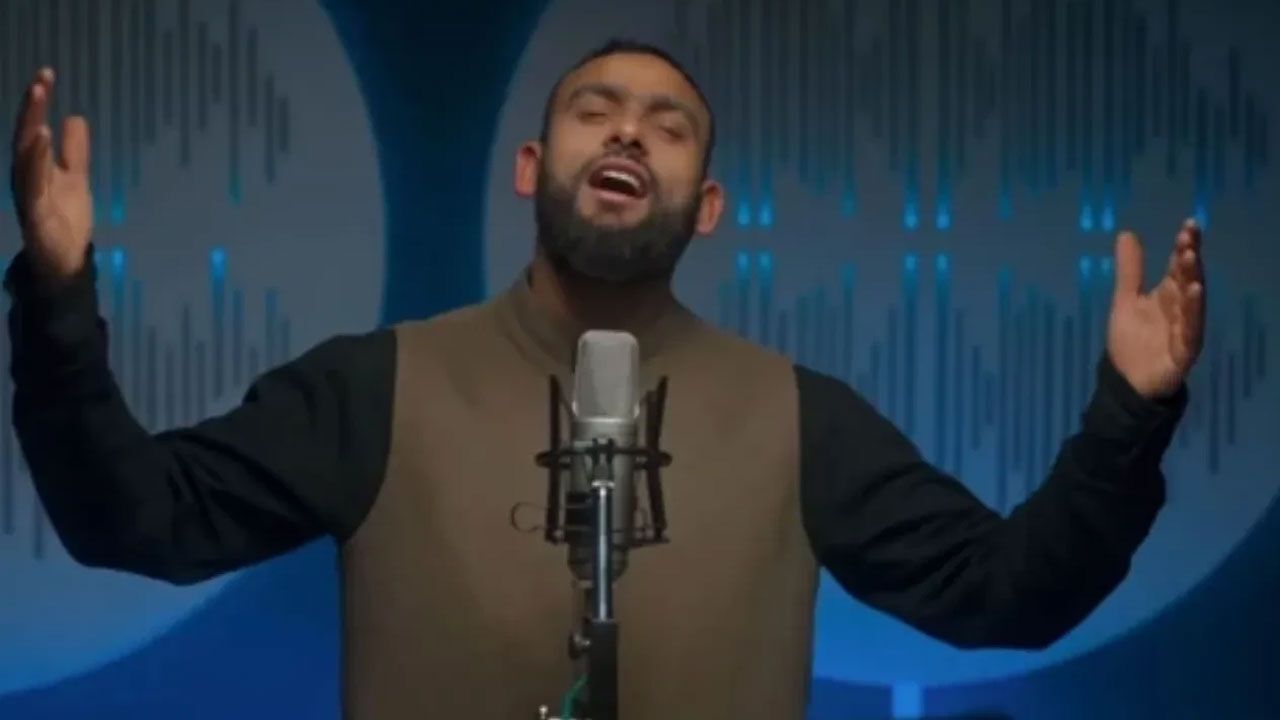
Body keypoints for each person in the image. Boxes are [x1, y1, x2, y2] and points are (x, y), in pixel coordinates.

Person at [6, 39, 1204, 719]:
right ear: (532, 166)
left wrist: (1129, 411)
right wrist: (56, 298)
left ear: (708, 206)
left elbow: (1004, 595)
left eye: (666, 126)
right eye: (597, 112)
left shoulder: (798, 418)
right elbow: (133, 518)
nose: (628, 133)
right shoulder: (373, 388)